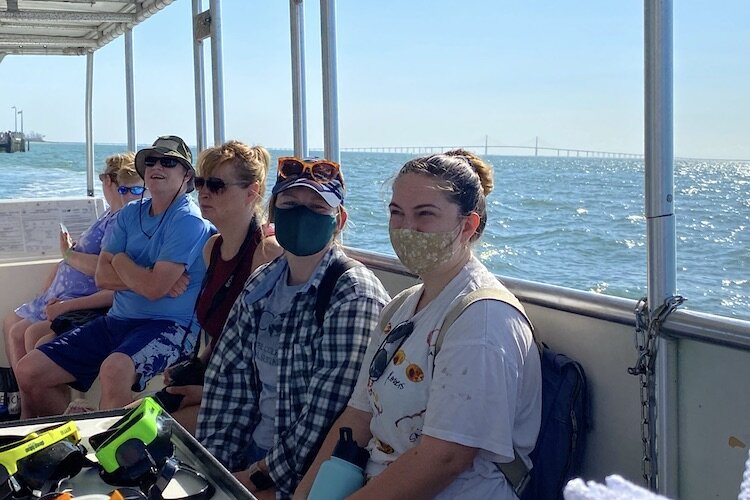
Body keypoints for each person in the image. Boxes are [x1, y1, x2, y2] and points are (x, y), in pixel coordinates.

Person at [295, 150, 542, 499]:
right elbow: (358, 417)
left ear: (468, 226)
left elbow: (443, 459)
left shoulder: (483, 322)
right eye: (397, 213)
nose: (407, 228)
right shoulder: (402, 306)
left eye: (424, 214)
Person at [196, 156, 390, 499]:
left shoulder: (353, 295)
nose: (302, 213)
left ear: (338, 220)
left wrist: (256, 477)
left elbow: (326, 414)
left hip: (300, 475)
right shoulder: (261, 284)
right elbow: (228, 381)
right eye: (290, 203)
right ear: (273, 214)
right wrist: (216, 468)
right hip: (248, 457)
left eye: (317, 207)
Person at [15, 135, 212, 417]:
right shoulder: (130, 213)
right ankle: (68, 444)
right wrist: (148, 278)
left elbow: (153, 288)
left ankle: (110, 457)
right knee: (29, 370)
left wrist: (120, 261)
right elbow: (103, 277)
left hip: (169, 326)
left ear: (188, 176)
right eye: (152, 160)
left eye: (169, 162)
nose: (158, 166)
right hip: (117, 320)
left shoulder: (188, 220)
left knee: (114, 369)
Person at [159, 140, 282, 434]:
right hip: (214, 379)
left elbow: (272, 354)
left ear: (251, 192)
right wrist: (195, 367)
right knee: (126, 420)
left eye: (216, 185)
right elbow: (222, 336)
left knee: (145, 432)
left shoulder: (267, 254)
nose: (203, 192)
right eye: (200, 182)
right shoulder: (212, 249)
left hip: (245, 399)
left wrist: (208, 393)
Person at [2, 153, 141, 371]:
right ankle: (21, 394)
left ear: (107, 181)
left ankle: (28, 391)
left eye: (134, 190)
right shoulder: (109, 214)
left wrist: (68, 254)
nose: (128, 196)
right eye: (125, 190)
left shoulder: (119, 221)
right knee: (11, 323)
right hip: (62, 296)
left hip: (79, 299)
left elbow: (104, 270)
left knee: (23, 332)